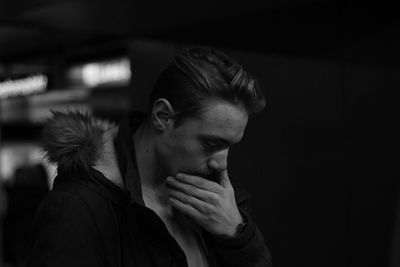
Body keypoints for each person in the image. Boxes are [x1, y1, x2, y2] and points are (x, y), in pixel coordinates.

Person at [27, 47, 272, 267]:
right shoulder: (78, 208)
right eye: (210, 143)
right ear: (163, 116)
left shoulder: (216, 200)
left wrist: (237, 235)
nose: (221, 163)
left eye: (229, 146)